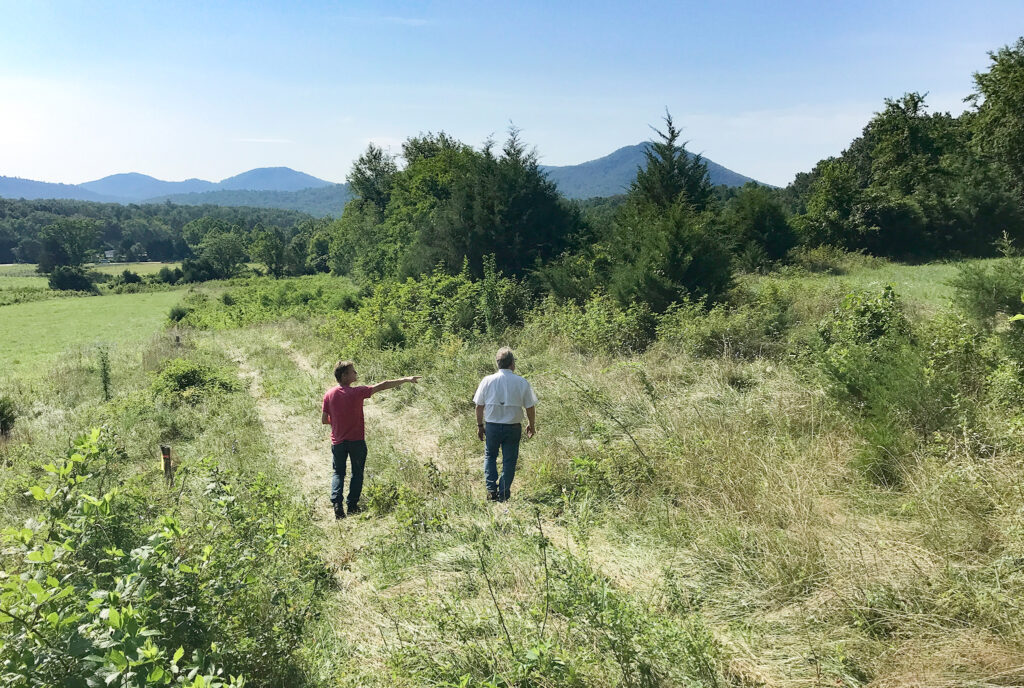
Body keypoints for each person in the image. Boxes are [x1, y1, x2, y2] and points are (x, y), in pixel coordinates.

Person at [322, 360, 420, 519]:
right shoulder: (358, 392)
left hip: (338, 442)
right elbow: (383, 385)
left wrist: (338, 422)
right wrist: (406, 379)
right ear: (345, 375)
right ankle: (352, 506)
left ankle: (337, 504)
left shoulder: (329, 394)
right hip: (357, 442)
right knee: (357, 473)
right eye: (353, 371)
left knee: (338, 473)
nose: (356, 373)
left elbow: (324, 419)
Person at [473, 347, 537, 502]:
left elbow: (479, 406)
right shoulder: (522, 382)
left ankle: (491, 490)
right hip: (513, 427)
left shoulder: (487, 381)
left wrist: (480, 426)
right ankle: (503, 493)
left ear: (497, 364)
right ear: (512, 364)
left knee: (490, 456)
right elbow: (530, 406)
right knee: (509, 460)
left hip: (493, 426)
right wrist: (531, 425)